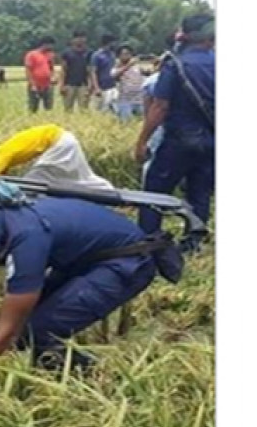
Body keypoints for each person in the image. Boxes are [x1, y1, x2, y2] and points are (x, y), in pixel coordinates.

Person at [0, 159, 161, 370]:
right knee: (28, 330)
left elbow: (9, 329)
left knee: (36, 331)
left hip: (126, 259)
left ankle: (99, 378)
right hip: (76, 261)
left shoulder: (24, 232)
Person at [134, 14, 215, 252]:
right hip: (213, 139)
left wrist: (142, 141)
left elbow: (160, 106)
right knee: (200, 191)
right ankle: (193, 242)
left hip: (180, 139)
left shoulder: (176, 63)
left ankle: (149, 241)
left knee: (155, 191)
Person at [0, 124, 113, 189]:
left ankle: (111, 194)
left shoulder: (1, 155)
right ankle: (108, 190)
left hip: (59, 143)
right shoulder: (4, 148)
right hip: (64, 138)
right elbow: (3, 176)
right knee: (79, 175)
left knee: (32, 183)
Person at [60, 31, 93, 112]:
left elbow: (90, 71)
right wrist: (61, 85)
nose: (80, 40)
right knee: (68, 109)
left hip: (83, 85)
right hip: (69, 84)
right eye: (78, 38)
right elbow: (63, 70)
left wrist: (90, 85)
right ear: (73, 40)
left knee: (84, 109)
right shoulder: (67, 53)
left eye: (82, 38)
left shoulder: (89, 53)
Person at [110, 44, 145, 122]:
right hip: (125, 101)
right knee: (126, 123)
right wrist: (129, 65)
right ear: (119, 56)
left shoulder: (137, 67)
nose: (127, 56)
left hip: (139, 100)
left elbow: (147, 73)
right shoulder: (116, 68)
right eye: (124, 54)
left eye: (128, 54)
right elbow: (114, 76)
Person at [24, 36, 56, 113]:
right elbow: (28, 70)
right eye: (50, 45)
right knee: (33, 107)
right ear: (45, 44)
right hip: (35, 84)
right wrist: (32, 84)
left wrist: (53, 77)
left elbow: (51, 67)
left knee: (49, 107)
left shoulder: (50, 55)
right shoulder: (32, 54)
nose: (52, 47)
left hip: (47, 85)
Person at [89, 34, 118, 112]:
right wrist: (96, 87)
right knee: (102, 110)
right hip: (102, 87)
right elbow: (93, 72)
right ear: (109, 43)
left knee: (114, 109)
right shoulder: (97, 55)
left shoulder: (112, 55)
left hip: (112, 86)